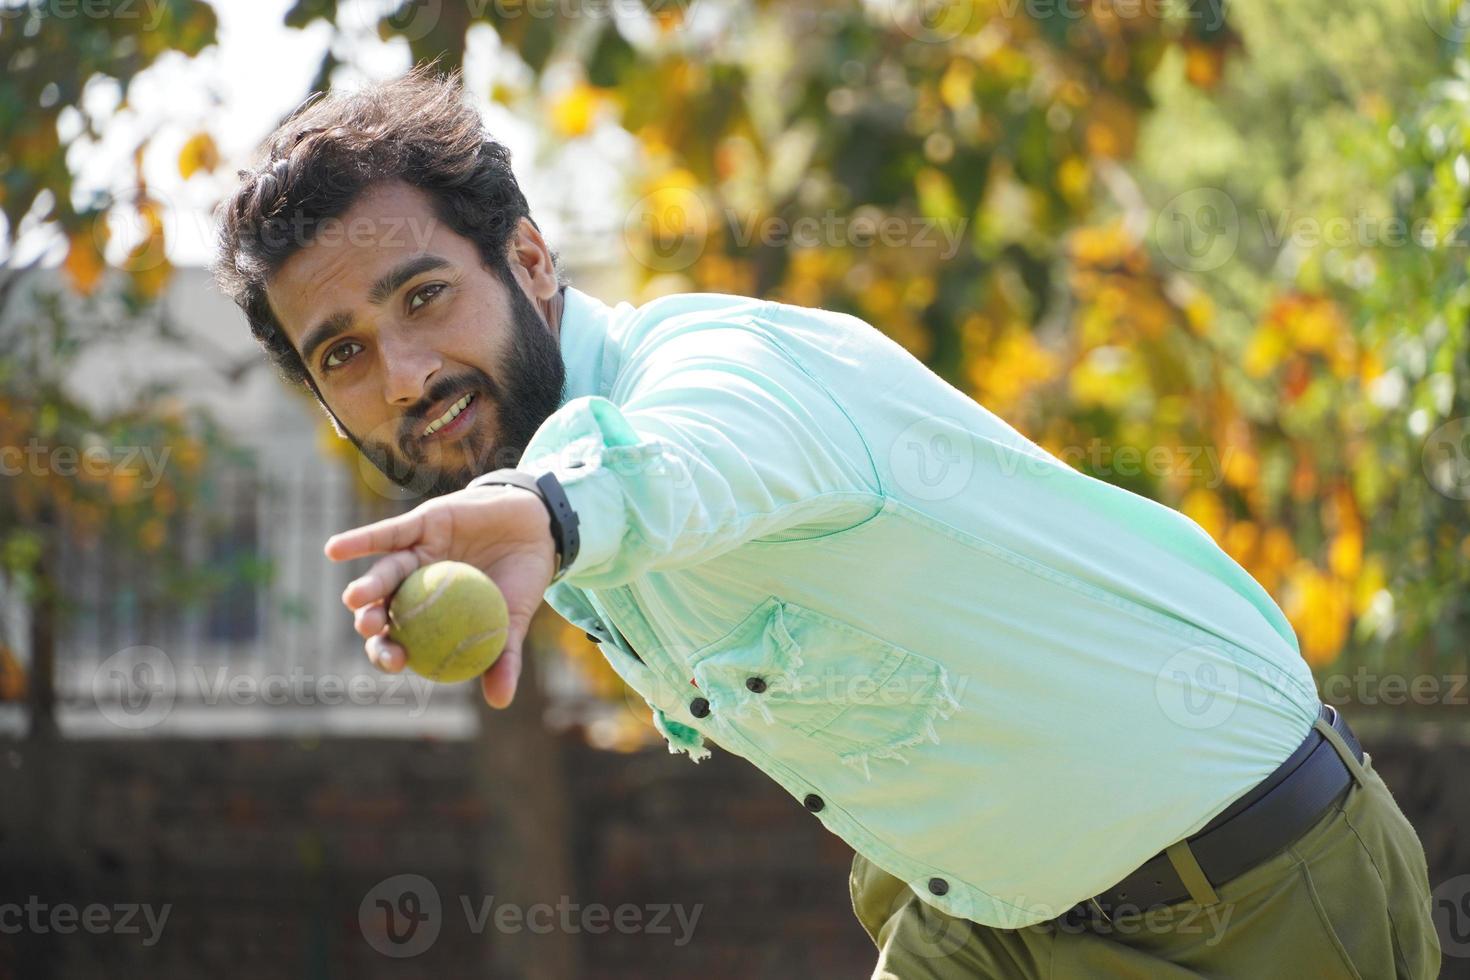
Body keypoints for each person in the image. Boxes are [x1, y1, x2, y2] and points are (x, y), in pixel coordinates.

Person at [211, 64, 1442, 977]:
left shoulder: (710, 368)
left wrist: (547, 506)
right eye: (347, 353)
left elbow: (693, 452)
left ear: (530, 261)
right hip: (990, 918)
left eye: (424, 293)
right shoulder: (534, 488)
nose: (408, 373)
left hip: (1247, 897)